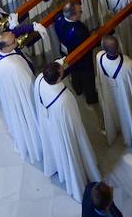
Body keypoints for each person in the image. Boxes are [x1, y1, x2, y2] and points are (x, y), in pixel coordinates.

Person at [33, 61, 102, 201]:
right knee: (73, 151)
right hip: (67, 130)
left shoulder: (40, 79)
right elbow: (75, 121)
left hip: (51, 124)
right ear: (58, 78)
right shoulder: (64, 97)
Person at [0, 31, 44, 165]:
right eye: (13, 42)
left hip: (11, 91)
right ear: (5, 48)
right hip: (20, 96)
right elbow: (27, 86)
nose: (17, 42)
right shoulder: (13, 67)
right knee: (28, 116)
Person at [94, 33, 132, 152]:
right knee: (128, 112)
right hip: (125, 98)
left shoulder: (99, 56)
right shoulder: (129, 66)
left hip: (109, 94)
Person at [53, 0, 99, 104]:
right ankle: (90, 97)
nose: (81, 12)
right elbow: (88, 43)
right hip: (82, 56)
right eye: (80, 12)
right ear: (73, 16)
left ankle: (78, 89)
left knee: (73, 70)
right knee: (87, 76)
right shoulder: (80, 30)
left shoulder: (59, 18)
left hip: (66, 51)